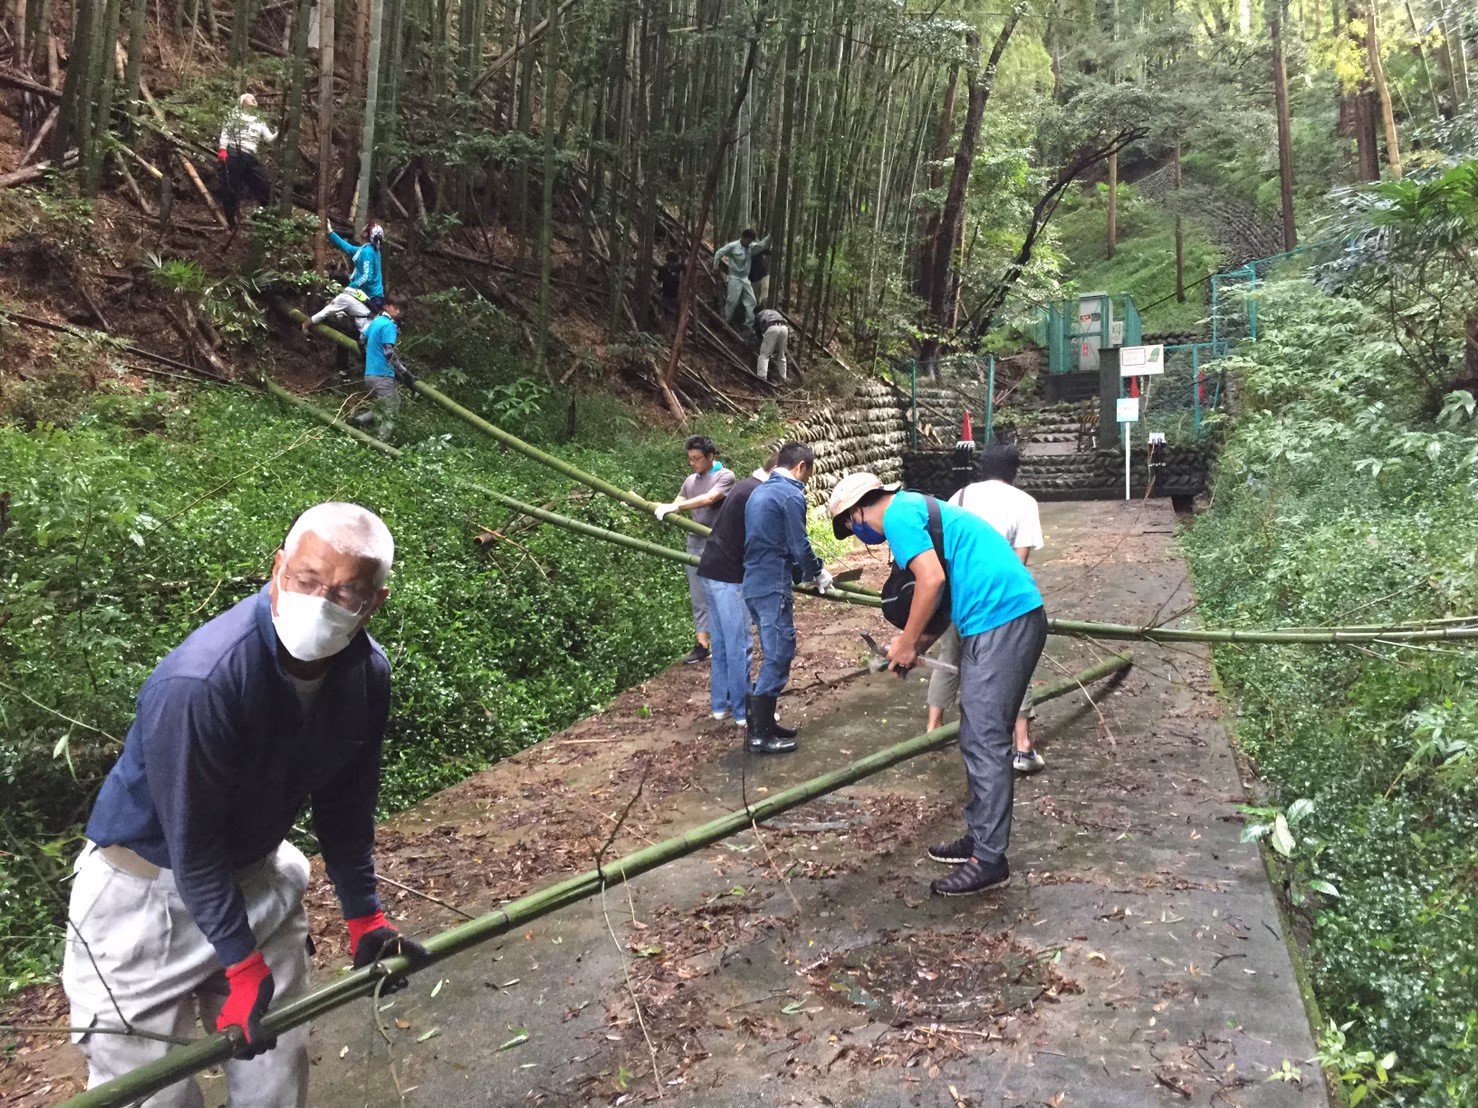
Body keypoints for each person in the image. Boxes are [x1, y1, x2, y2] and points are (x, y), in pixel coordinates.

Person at [62, 503, 429, 1108]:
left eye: (346, 592)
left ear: (374, 602)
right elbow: (193, 842)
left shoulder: (365, 674)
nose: (320, 601)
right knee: (152, 1094)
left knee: (277, 1080)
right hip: (146, 901)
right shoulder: (202, 682)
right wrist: (240, 963)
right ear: (278, 567)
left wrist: (364, 915)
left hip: (256, 876)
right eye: (307, 579)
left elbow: (346, 803)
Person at [827, 471, 1046, 897]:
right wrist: (909, 649)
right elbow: (941, 605)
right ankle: (981, 835)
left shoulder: (897, 516)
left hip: (1002, 618)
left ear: (857, 512)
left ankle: (989, 860)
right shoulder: (917, 509)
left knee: (985, 738)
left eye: (851, 527)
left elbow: (931, 581)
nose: (858, 535)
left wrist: (908, 642)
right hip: (995, 618)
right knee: (975, 732)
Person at [924, 443, 1046, 774]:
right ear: (1014, 470)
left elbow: (943, 547)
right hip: (997, 602)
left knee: (949, 657)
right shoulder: (1023, 502)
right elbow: (1017, 561)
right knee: (1015, 662)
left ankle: (933, 730)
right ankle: (1022, 746)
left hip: (958, 595)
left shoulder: (960, 497)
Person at [742, 441, 835, 754]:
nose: (807, 479)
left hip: (754, 582)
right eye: (808, 473)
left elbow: (771, 540)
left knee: (774, 653)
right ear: (801, 467)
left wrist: (801, 574)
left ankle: (765, 725)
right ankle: (758, 736)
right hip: (771, 586)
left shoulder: (759, 493)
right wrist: (818, 572)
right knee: (779, 654)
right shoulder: (790, 494)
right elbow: (798, 544)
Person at [696, 453, 778, 738]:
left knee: (721, 643)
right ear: (775, 471)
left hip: (711, 569)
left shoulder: (745, 486)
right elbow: (760, 542)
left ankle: (721, 704)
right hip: (728, 578)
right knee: (740, 645)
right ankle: (745, 711)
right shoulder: (758, 493)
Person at [654, 436, 736, 666]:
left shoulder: (725, 476)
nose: (692, 463)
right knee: (699, 596)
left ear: (711, 456)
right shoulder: (690, 481)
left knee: (721, 594)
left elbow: (709, 499)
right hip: (695, 544)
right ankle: (702, 644)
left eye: (697, 458)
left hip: (718, 545)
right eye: (690, 459)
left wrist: (677, 506)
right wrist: (642, 503)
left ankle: (727, 639)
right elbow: (675, 503)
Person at [304, 221, 387, 337]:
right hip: (367, 296)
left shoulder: (367, 252)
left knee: (341, 303)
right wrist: (331, 232)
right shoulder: (369, 249)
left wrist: (351, 287)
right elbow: (348, 248)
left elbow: (366, 276)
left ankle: (309, 323)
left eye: (365, 227)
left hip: (371, 299)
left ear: (366, 234)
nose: (362, 228)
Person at [216, 92, 276, 232]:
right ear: (241, 101)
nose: (253, 98)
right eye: (249, 97)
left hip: (250, 156)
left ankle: (267, 217)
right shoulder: (234, 115)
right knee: (231, 187)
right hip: (234, 153)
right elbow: (226, 132)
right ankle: (231, 221)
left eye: (254, 97)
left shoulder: (259, 121)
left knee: (264, 184)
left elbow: (269, 139)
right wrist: (223, 149)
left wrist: (281, 131)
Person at [355, 297, 409, 441]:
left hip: (370, 374)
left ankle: (359, 420)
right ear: (386, 306)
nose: (398, 311)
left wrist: (366, 356)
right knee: (390, 412)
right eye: (395, 307)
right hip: (382, 375)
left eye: (400, 309)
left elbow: (361, 339)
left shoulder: (376, 322)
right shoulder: (389, 325)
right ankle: (381, 442)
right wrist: (404, 371)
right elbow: (388, 352)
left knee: (391, 403)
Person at [712, 229, 770, 329]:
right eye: (748, 240)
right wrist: (715, 267)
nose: (749, 242)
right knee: (732, 301)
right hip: (735, 277)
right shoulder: (733, 246)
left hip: (745, 278)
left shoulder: (751, 247)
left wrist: (770, 236)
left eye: (751, 241)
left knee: (752, 301)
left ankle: (748, 325)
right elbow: (719, 253)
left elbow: (762, 245)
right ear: (743, 237)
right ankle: (725, 322)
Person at [753, 307, 790, 384]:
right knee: (781, 354)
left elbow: (758, 331)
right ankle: (783, 377)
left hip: (772, 327)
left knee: (764, 355)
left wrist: (760, 340)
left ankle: (762, 377)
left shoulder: (759, 314)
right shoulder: (774, 312)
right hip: (784, 328)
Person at [657, 251, 684, 319]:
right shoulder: (681, 267)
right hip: (676, 295)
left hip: (666, 294)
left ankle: (661, 319)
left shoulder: (663, 268)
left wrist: (659, 290)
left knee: (664, 314)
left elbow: (659, 281)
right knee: (675, 316)